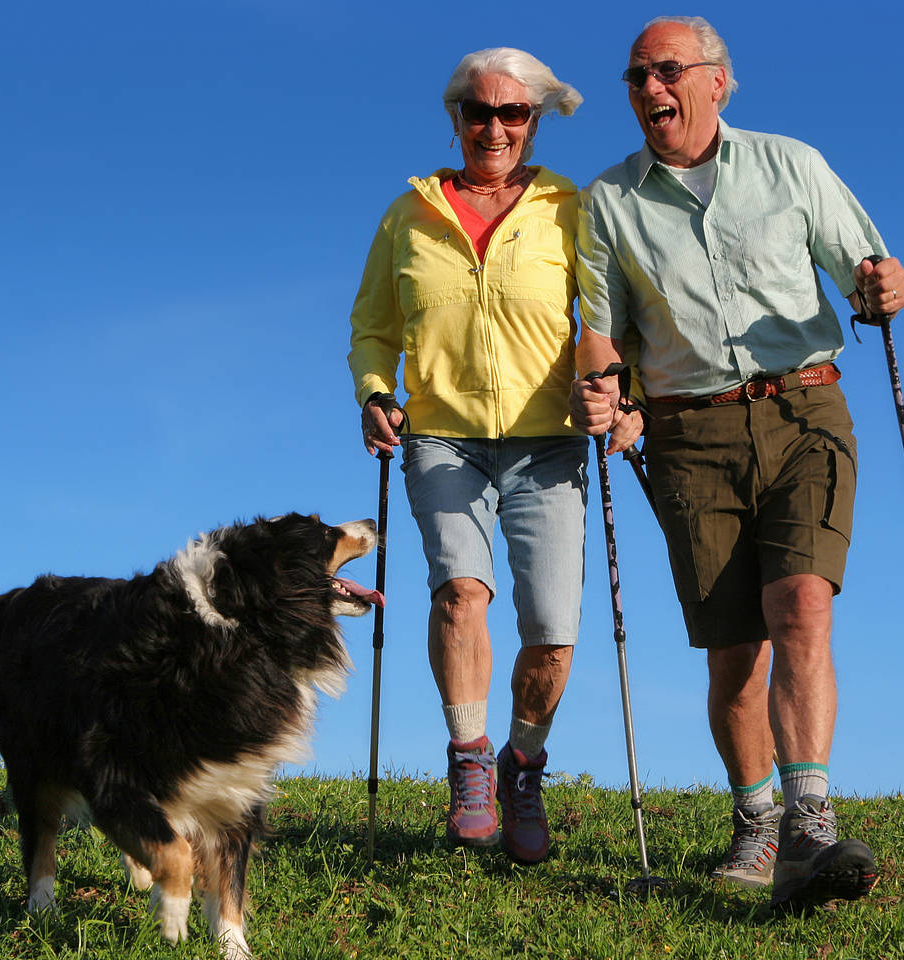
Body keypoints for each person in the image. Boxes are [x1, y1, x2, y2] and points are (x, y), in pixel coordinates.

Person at [570, 16, 904, 908]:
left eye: (667, 72)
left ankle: (808, 821)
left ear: (717, 81)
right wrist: (602, 390)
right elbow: (602, 332)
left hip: (803, 407)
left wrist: (884, 288)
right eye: (637, 77)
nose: (651, 90)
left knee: (800, 603)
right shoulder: (606, 201)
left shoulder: (792, 164)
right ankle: (756, 822)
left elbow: (867, 272)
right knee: (734, 653)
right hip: (689, 434)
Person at [347, 48, 585, 865]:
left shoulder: (569, 207)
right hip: (441, 433)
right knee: (460, 595)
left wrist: (613, 391)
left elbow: (611, 315)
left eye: (512, 114)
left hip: (548, 438)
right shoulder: (407, 214)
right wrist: (378, 391)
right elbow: (374, 326)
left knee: (552, 632)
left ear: (534, 122)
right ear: (455, 119)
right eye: (478, 112)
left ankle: (524, 763)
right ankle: (470, 761)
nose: (494, 127)